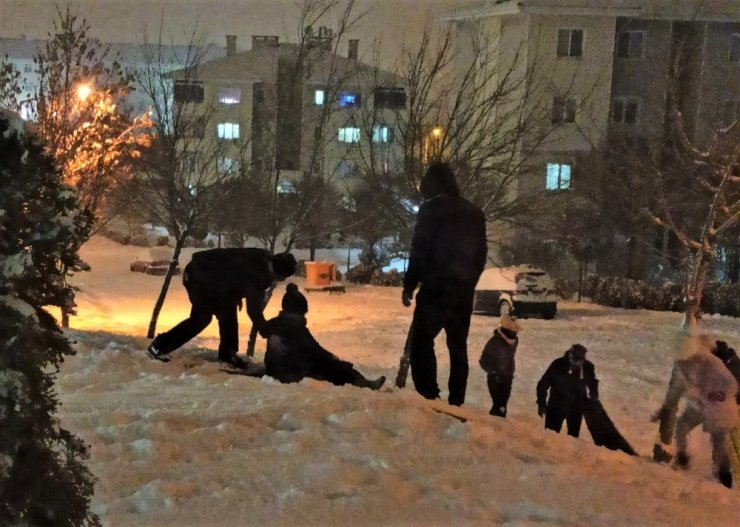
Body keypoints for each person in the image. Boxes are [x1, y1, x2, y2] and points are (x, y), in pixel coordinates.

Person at [402, 162, 487, 406]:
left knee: (421, 342)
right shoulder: (475, 212)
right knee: (458, 348)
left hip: (436, 290)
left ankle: (429, 394)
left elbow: (419, 250)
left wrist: (410, 284)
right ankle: (457, 400)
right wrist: (468, 282)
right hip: (462, 293)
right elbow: (480, 255)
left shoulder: (431, 210)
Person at [147, 248, 297, 368]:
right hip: (198, 277)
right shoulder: (259, 275)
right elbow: (254, 312)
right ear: (278, 272)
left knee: (227, 311)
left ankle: (227, 356)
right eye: (281, 277)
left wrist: (235, 294)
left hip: (208, 277)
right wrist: (269, 334)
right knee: (201, 318)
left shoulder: (261, 256)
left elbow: (234, 270)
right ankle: (159, 347)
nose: (280, 281)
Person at [262, 283, 385, 390]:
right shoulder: (295, 327)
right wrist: (334, 360)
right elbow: (314, 350)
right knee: (333, 368)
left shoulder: (275, 323)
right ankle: (363, 383)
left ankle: (359, 381)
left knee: (332, 364)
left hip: (278, 370)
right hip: (293, 371)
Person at [652, 337, 738, 488]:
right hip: (700, 406)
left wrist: (721, 395)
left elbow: (731, 384)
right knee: (681, 426)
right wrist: (665, 409)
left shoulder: (710, 361)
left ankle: (725, 477)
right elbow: (679, 390)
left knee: (718, 442)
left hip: (718, 409)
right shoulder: (682, 365)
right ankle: (682, 459)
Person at [536, 344, 599, 437]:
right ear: (570, 356)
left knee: (573, 437)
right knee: (551, 436)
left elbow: (592, 382)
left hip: (576, 408)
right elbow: (543, 384)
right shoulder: (557, 364)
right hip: (556, 406)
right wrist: (542, 404)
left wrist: (594, 396)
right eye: (575, 361)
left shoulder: (588, 367)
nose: (577, 364)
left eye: (580, 361)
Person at [479, 315, 521, 417]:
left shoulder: (515, 341)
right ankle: (494, 425)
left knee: (502, 405)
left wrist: (510, 370)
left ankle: (498, 423)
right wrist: (493, 372)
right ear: (505, 330)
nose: (515, 333)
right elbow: (482, 361)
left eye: (516, 331)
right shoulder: (493, 342)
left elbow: (509, 357)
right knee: (498, 405)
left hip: (507, 377)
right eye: (513, 331)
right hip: (495, 378)